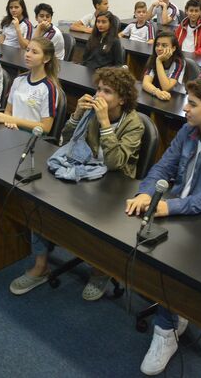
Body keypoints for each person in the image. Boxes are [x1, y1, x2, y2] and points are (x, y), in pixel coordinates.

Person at [125, 77, 201, 376]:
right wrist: (146, 192)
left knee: (171, 258)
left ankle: (166, 331)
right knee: (135, 234)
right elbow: (163, 166)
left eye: (192, 104)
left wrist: (170, 207)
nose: (185, 109)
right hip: (182, 212)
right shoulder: (188, 131)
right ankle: (175, 307)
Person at [9, 67, 144, 299]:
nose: (99, 95)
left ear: (122, 99)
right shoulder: (90, 113)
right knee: (41, 200)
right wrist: (77, 115)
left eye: (107, 91)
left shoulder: (134, 124)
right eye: (98, 89)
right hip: (84, 171)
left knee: (96, 217)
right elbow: (66, 141)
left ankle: (100, 270)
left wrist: (104, 123)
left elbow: (114, 163)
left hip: (114, 184)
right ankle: (41, 266)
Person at [0, 37, 59, 133]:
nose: (27, 54)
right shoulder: (18, 80)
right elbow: (8, 111)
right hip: (11, 130)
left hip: (30, 137)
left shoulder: (49, 88)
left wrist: (13, 120)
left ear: (46, 59)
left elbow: (45, 127)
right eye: (27, 50)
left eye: (34, 52)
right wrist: (9, 122)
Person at [142, 31, 186, 101]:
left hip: (175, 98)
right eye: (157, 45)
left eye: (164, 45)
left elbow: (166, 87)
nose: (159, 48)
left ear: (173, 48)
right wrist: (157, 92)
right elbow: (145, 83)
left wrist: (159, 61)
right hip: (160, 95)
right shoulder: (154, 58)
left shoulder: (179, 62)